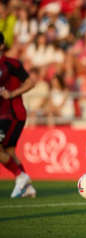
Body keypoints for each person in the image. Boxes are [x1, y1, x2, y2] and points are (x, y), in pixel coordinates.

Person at [0, 32, 36, 198]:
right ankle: (27, 188)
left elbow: (30, 82)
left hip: (13, 113)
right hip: (3, 114)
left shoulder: (11, 64)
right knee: (10, 151)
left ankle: (21, 177)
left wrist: (12, 93)